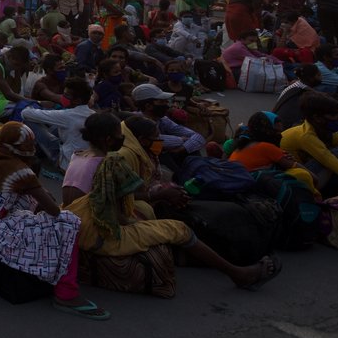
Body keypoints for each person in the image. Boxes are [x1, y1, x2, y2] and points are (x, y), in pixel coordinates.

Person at [65, 153, 281, 290]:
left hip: (95, 236)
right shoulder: (110, 202)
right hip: (109, 241)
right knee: (179, 229)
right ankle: (237, 273)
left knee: (152, 221)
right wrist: (148, 224)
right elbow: (119, 223)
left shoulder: (86, 200)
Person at [0, 122, 108, 321]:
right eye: (27, 145)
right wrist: (41, 195)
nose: (32, 149)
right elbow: (53, 210)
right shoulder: (18, 169)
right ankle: (67, 294)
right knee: (68, 222)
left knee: (35, 200)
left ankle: (58, 261)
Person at [229, 111, 317, 193]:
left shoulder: (242, 144)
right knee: (302, 174)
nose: (280, 135)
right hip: (250, 190)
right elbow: (313, 177)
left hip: (235, 185)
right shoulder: (266, 147)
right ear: (266, 130)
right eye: (276, 131)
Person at [280, 92, 338, 197]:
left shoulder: (324, 130)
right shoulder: (306, 137)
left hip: (311, 173)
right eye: (334, 115)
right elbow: (333, 163)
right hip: (297, 181)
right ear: (317, 118)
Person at [22, 79, 96, 170]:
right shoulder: (92, 114)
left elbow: (25, 113)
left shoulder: (68, 115)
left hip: (66, 163)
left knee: (29, 121)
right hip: (84, 162)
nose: (62, 97)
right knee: (56, 125)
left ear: (77, 101)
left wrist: (36, 104)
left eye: (66, 96)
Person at [61, 112, 124, 206]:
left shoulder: (77, 155)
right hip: (84, 216)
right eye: (119, 135)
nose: (121, 138)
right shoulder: (104, 163)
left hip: (68, 211)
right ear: (109, 140)